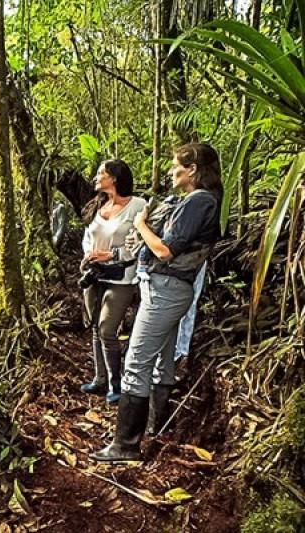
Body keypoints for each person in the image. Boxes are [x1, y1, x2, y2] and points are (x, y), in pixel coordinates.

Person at [92, 143, 222, 461]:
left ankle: (125, 445)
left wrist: (140, 226)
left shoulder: (199, 201)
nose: (169, 170)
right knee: (161, 363)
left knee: (135, 363)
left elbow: (165, 250)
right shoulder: (191, 201)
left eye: (175, 165)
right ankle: (155, 428)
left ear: (191, 170)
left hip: (166, 290)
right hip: (165, 288)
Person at [80, 160, 147, 404]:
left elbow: (141, 241)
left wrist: (114, 254)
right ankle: (100, 379)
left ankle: (116, 384)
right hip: (95, 275)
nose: (96, 177)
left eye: (101, 173)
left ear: (115, 178)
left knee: (108, 328)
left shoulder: (138, 206)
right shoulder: (98, 205)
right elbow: (88, 236)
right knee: (96, 328)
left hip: (122, 277)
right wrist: (90, 254)